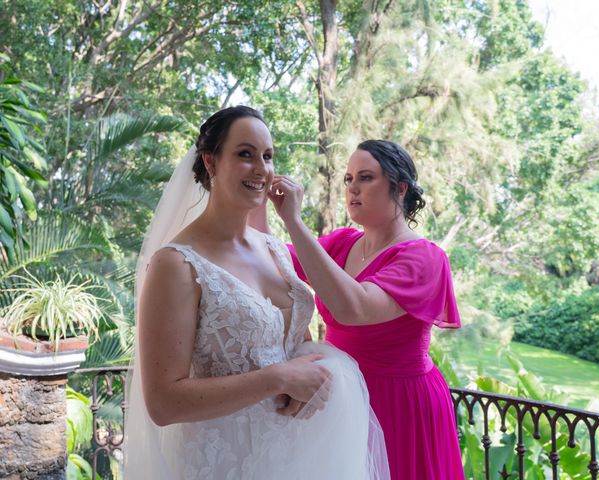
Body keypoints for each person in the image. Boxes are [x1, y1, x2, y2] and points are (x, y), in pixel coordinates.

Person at [122, 107, 389, 480]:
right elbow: (164, 403)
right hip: (222, 462)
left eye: (267, 156)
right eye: (245, 154)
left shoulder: (275, 249)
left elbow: (295, 343)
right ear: (210, 163)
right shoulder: (177, 264)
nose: (262, 169)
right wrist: (278, 379)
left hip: (291, 455)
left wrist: (316, 383)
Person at [266, 140, 465, 479]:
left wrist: (294, 221)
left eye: (366, 178)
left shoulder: (425, 258)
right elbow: (268, 255)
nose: (352, 188)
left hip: (400, 403)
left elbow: (353, 308)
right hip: (343, 394)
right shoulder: (341, 244)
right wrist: (256, 195)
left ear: (400, 188)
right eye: (347, 179)